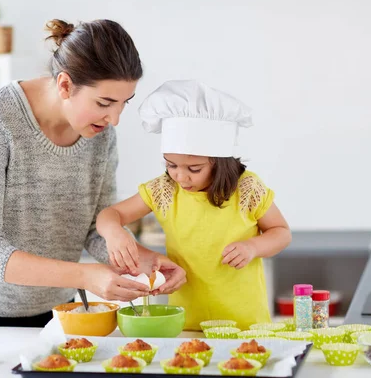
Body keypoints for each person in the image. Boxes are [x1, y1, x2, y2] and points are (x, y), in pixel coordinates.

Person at [0, 19, 186, 327]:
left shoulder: (99, 134)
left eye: (123, 104)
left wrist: (147, 262)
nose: (114, 119)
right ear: (64, 85)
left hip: (52, 301)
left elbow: (94, 228)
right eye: (104, 103)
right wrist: (85, 276)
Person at [97, 80, 292, 330]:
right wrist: (114, 233)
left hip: (244, 323)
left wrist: (253, 247)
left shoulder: (247, 188)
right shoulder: (164, 190)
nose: (180, 176)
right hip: (186, 323)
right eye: (171, 164)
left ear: (220, 162)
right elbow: (109, 215)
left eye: (194, 169)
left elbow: (281, 233)